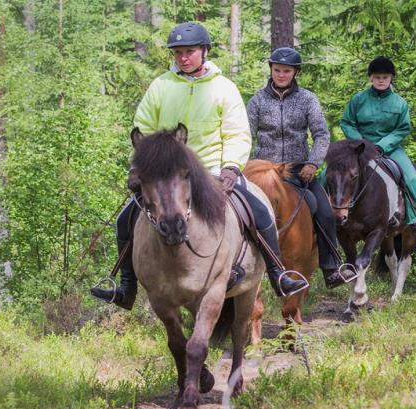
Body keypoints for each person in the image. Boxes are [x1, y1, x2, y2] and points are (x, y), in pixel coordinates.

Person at [91, 22, 307, 310]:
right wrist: (140, 167)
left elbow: (237, 133)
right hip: (168, 177)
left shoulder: (223, 88)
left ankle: (277, 274)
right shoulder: (160, 87)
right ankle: (127, 287)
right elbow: (142, 128)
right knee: (125, 218)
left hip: (214, 171)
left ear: (204, 51)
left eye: (189, 51)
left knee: (256, 206)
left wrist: (231, 167)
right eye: (178, 52)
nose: (183, 57)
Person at [247, 47, 356, 288]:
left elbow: (321, 134)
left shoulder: (307, 99)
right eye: (277, 70)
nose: (281, 75)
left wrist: (313, 163)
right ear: (271, 70)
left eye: (286, 71)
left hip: (299, 170)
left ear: (295, 72)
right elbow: (246, 135)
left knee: (325, 212)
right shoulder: (257, 100)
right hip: (264, 170)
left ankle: (331, 268)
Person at [339, 56, 416, 231]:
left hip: (390, 148)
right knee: (331, 173)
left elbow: (403, 128)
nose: (381, 80)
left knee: (412, 176)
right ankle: (326, 214)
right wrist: (360, 142)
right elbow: (347, 122)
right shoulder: (358, 99)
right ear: (371, 78)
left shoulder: (400, 103)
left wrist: (382, 145)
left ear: (391, 78)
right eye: (377, 77)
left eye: (385, 77)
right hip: (360, 147)